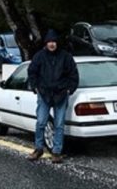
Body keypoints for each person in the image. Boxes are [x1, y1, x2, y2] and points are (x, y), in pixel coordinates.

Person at [26, 30, 79, 163]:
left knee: (59, 124)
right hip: (44, 94)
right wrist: (35, 87)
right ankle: (38, 149)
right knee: (41, 122)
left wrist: (69, 90)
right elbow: (32, 72)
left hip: (61, 94)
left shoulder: (66, 57)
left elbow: (74, 75)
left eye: (54, 41)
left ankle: (56, 151)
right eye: (49, 41)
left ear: (57, 43)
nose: (52, 44)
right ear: (46, 43)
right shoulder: (39, 56)